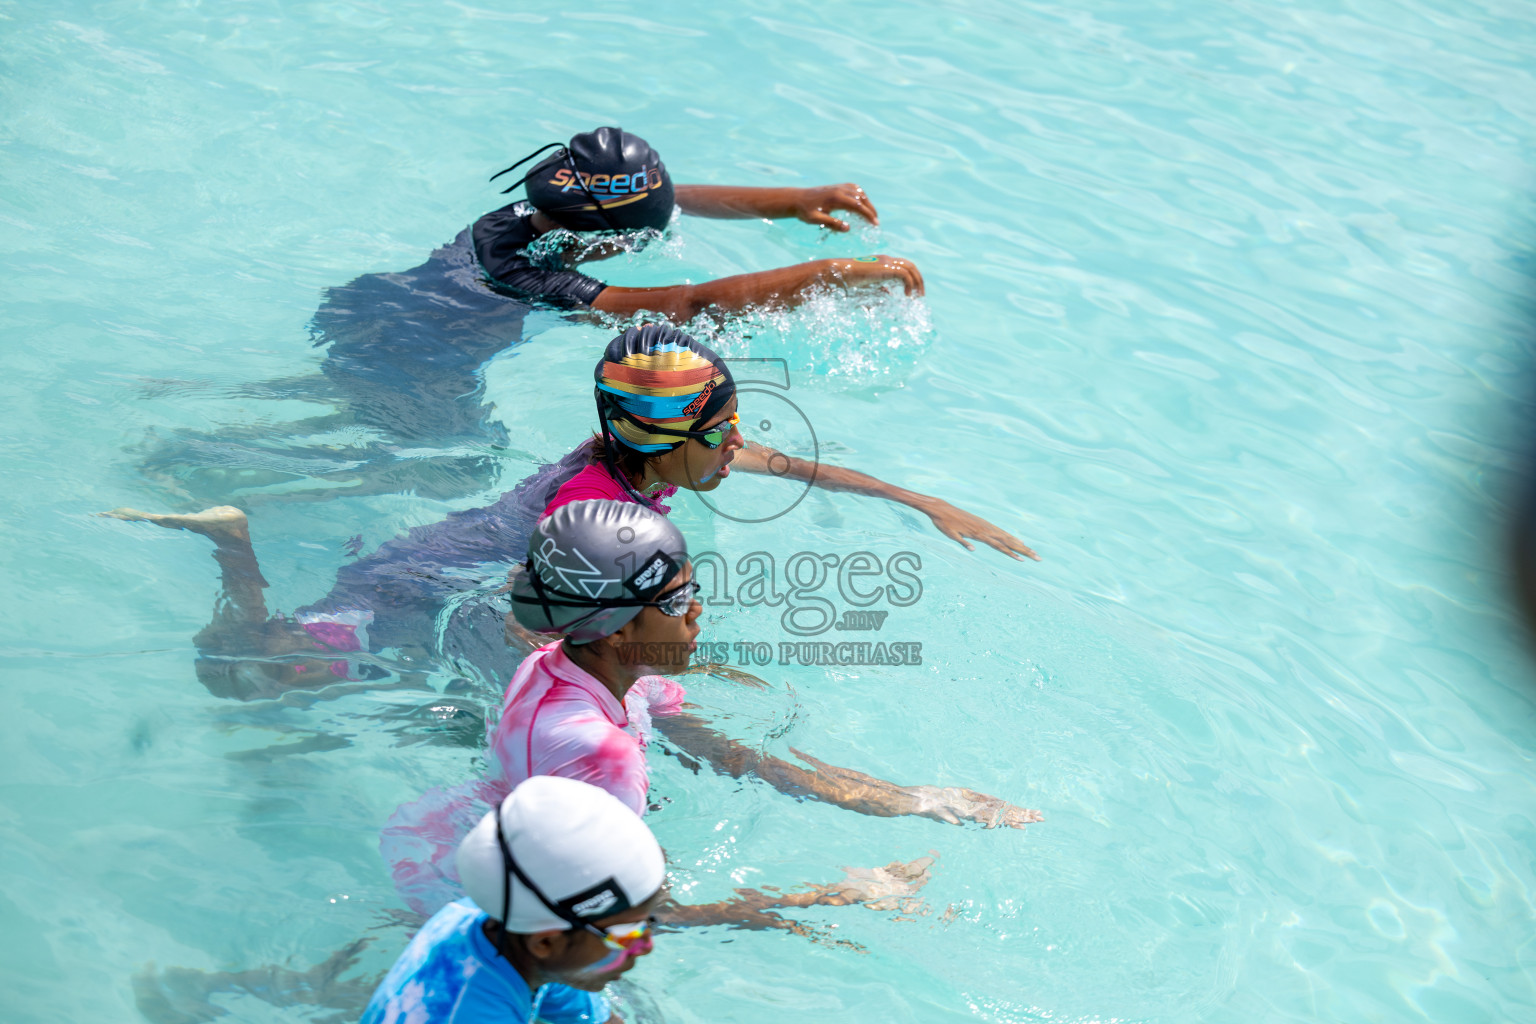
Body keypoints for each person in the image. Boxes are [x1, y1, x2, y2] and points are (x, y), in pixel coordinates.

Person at [137, 126, 924, 506]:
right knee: (457, 466)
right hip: (417, 357)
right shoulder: (530, 277)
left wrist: (791, 200)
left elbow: (664, 199)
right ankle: (216, 457)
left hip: (376, 317)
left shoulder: (534, 213)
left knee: (358, 393)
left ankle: (205, 404)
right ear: (600, 230)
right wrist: (829, 276)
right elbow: (688, 305)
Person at [381, 500, 1039, 917]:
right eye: (673, 602)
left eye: (692, 588)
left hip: (459, 836)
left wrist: (909, 798)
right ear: (614, 628)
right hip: (496, 905)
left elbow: (735, 755)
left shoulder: (576, 667)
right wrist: (835, 895)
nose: (697, 610)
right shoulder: (601, 755)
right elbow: (635, 917)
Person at [362, 776, 663, 1024]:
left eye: (647, 923)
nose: (646, 946)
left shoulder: (522, 933)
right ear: (544, 943)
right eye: (628, 934)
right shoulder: (464, 1013)